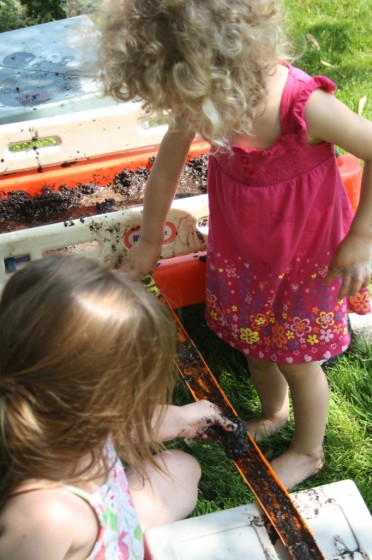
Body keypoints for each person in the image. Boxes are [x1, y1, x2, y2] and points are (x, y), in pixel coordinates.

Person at [98, 0, 372, 490]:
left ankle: (308, 452)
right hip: (247, 251)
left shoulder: (301, 105)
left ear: (214, 64)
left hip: (307, 256)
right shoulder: (199, 99)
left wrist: (362, 237)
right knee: (255, 343)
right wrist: (148, 242)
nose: (179, 107)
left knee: (296, 358)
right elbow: (165, 169)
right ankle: (273, 413)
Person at [0, 254, 237, 560]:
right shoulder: (44, 518)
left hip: (112, 520)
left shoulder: (64, 420)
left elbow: (130, 426)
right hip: (96, 537)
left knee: (183, 468)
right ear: (104, 402)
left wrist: (183, 417)